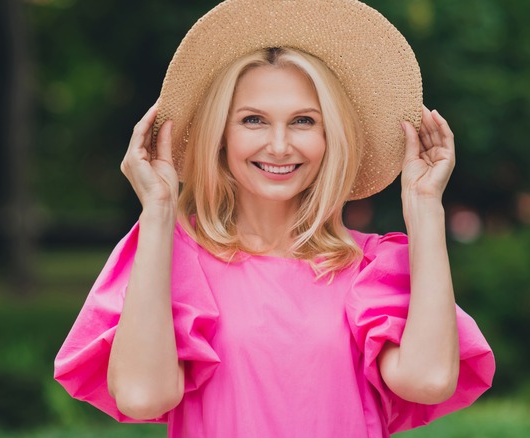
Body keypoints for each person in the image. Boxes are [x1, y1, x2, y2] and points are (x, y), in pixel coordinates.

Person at [54, 0, 495, 436]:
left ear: (330, 137)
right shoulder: (173, 260)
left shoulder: (370, 268)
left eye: (303, 120)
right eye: (254, 120)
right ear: (221, 135)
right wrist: (158, 211)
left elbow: (430, 380)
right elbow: (141, 394)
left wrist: (424, 206)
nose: (280, 146)